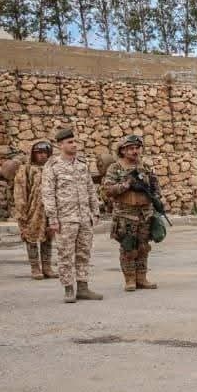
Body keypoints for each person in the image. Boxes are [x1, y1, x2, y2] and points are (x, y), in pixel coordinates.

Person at [41, 127, 103, 303]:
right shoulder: (53, 166)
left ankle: (83, 287)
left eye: (75, 141)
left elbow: (90, 189)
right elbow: (48, 193)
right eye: (70, 142)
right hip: (65, 219)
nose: (74, 145)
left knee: (84, 253)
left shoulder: (82, 165)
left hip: (84, 217)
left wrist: (95, 211)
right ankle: (68, 289)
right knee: (65, 254)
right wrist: (52, 218)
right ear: (60, 145)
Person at [102, 134, 160, 292]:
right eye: (131, 148)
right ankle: (130, 279)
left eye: (137, 148)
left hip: (144, 214)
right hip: (125, 215)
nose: (135, 151)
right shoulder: (115, 168)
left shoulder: (145, 167)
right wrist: (126, 185)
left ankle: (142, 278)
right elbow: (108, 190)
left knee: (143, 247)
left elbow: (155, 186)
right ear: (122, 151)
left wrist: (156, 199)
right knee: (128, 248)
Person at [14, 141, 56, 280]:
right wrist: (21, 211)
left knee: (48, 237)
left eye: (45, 153)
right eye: (39, 153)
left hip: (49, 210)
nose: (42, 156)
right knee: (31, 237)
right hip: (32, 211)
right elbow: (20, 192)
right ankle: (35, 267)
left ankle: (47, 267)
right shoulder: (26, 170)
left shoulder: (53, 169)